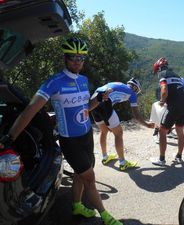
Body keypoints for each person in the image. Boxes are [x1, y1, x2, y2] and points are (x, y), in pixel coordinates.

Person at [0, 38, 122, 225]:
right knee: (90, 178)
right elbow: (30, 110)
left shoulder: (83, 80)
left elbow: (87, 107)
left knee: (81, 175)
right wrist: (10, 137)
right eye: (73, 57)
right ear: (65, 58)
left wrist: (98, 98)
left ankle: (77, 205)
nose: (78, 61)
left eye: (81, 57)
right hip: (70, 141)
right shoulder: (54, 82)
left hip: (87, 135)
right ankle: (106, 217)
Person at [91, 78, 154, 171]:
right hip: (105, 103)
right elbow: (136, 115)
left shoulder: (120, 85)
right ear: (135, 88)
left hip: (94, 101)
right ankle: (123, 163)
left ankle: (105, 157)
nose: (136, 93)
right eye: (137, 91)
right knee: (118, 133)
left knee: (103, 131)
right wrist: (147, 125)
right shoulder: (131, 93)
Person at [151, 57, 184, 165]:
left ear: (158, 69)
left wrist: (162, 101)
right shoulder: (176, 75)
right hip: (183, 105)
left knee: (162, 131)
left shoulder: (162, 74)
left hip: (174, 106)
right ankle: (179, 157)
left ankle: (161, 159)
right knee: (180, 131)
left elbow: (164, 90)